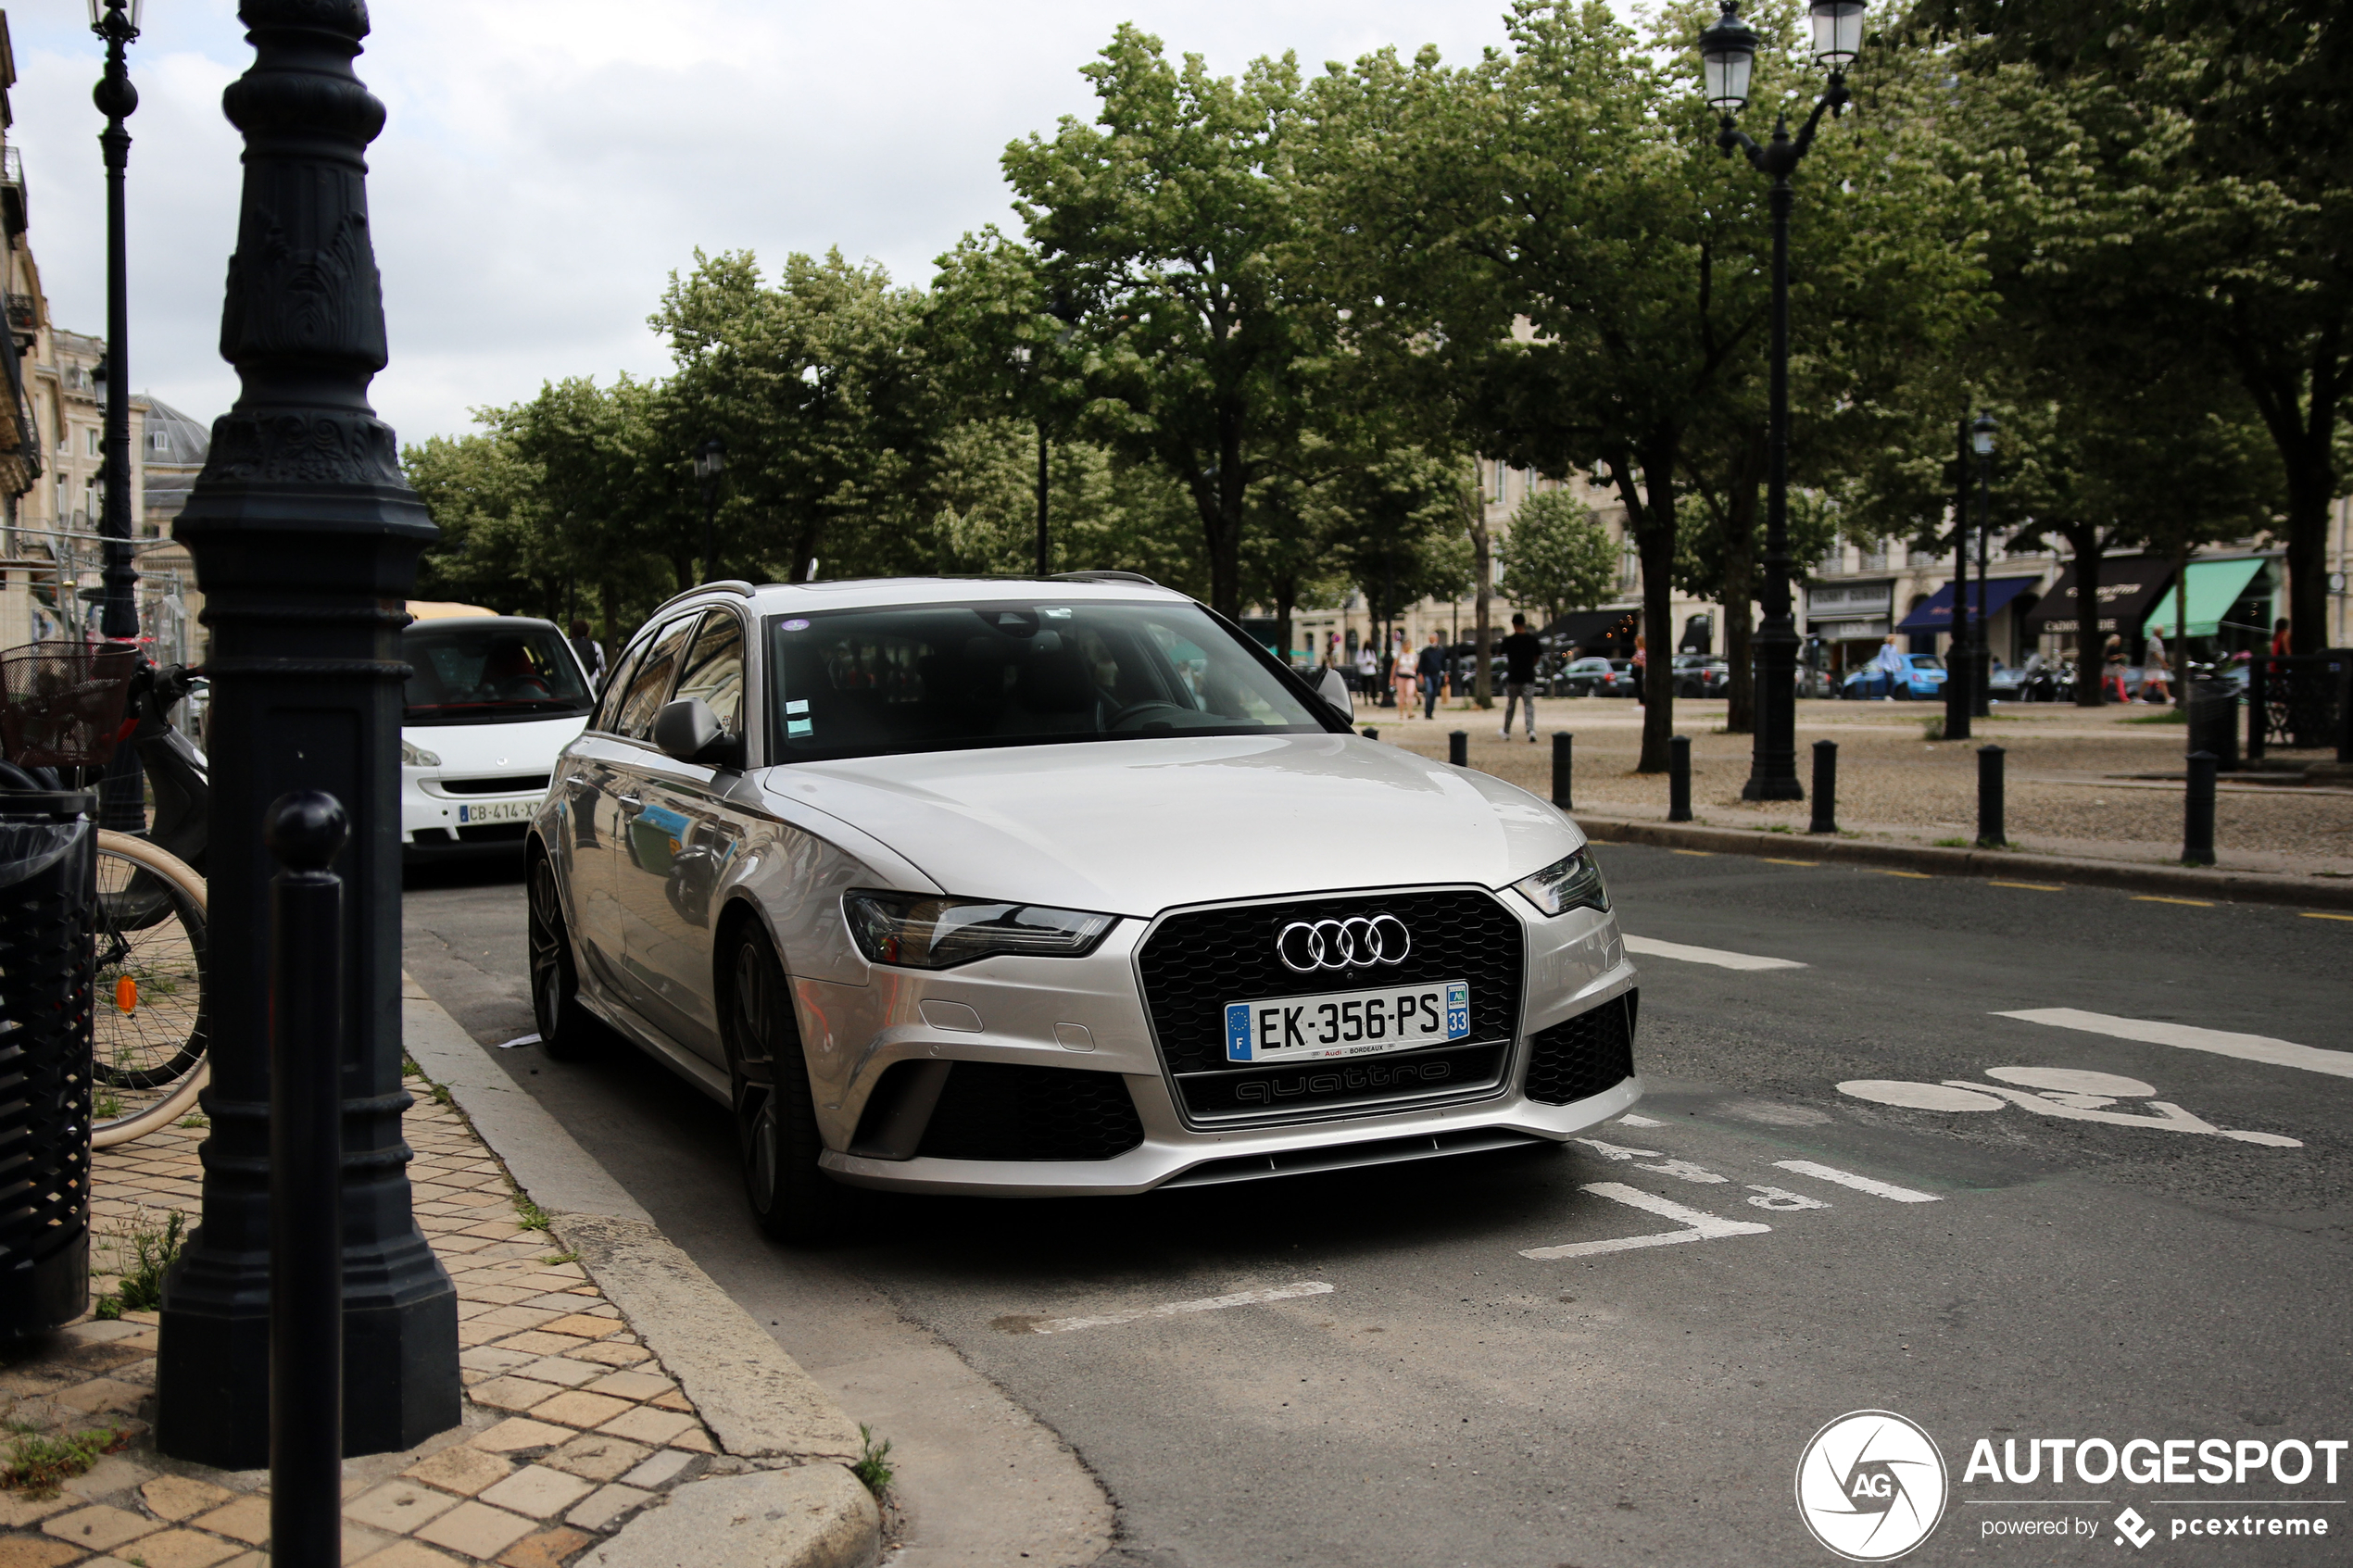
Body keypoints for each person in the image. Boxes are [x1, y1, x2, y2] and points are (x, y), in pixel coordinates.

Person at [1499, 612, 1542, 741]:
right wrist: (1531, 665)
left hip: (1513, 676)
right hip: (1528, 675)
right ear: (1524, 623)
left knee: (1511, 705)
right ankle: (1531, 730)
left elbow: (1500, 652)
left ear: (1513, 624)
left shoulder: (1509, 640)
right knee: (1528, 704)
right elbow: (1537, 656)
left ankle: (1506, 731)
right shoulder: (1532, 639)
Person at [1416, 631, 1446, 721]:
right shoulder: (1425, 651)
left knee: (1434, 694)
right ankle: (1427, 712)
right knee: (1429, 692)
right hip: (1428, 674)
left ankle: (1431, 712)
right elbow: (1421, 664)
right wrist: (1420, 674)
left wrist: (1445, 674)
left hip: (1437, 674)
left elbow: (1443, 663)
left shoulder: (1440, 650)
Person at [1869, 634, 1909, 700]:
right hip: (1886, 666)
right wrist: (1880, 666)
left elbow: (1896, 657)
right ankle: (1887, 695)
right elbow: (1881, 657)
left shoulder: (1894, 648)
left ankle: (1890, 695)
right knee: (1889, 680)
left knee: (1892, 682)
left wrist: (1898, 665)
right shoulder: (1884, 648)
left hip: (1892, 667)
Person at [568, 620, 606, 685]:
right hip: (591, 684)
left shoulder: (566, 644)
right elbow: (602, 667)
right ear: (587, 634)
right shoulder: (595, 645)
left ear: (572, 633)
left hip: (572, 684)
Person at [2142, 629, 2171, 705]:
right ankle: (2138, 697)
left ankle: (2168, 698)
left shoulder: (2157, 640)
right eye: (2162, 631)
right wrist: (2163, 662)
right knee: (2147, 682)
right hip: (2153, 666)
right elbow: (2154, 653)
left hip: (2157, 666)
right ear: (2159, 632)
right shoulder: (2153, 641)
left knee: (2162, 681)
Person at [2102, 633, 2130, 705]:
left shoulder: (2108, 648)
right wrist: (2120, 656)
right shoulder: (2113, 648)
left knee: (2104, 683)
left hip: (2109, 667)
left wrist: (2121, 666)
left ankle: (2097, 695)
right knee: (2120, 683)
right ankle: (2124, 698)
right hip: (2113, 668)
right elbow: (2112, 658)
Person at [1632, 635, 1648, 707]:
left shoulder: (1641, 651)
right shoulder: (1638, 651)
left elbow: (1643, 662)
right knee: (1638, 686)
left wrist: (1636, 660)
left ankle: (1642, 702)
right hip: (1636, 670)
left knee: (1640, 686)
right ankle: (1640, 702)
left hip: (1639, 670)